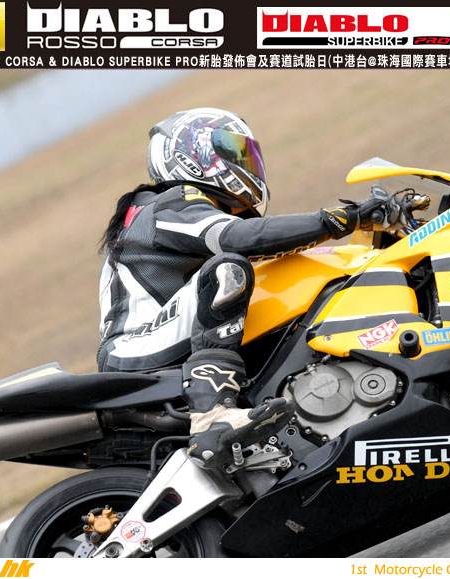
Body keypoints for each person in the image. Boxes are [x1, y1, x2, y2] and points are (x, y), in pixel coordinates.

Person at [97, 107, 403, 470]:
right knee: (228, 270)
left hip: (159, 340)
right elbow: (238, 238)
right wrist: (340, 219)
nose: (245, 162)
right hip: (134, 348)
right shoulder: (169, 204)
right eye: (232, 151)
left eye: (247, 154)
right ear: (191, 156)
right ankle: (211, 416)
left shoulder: (182, 209)